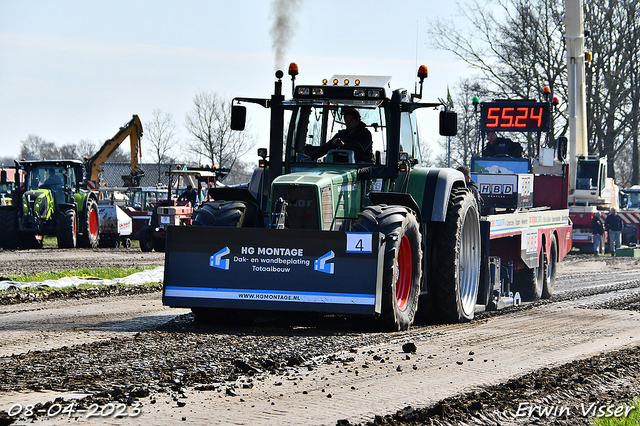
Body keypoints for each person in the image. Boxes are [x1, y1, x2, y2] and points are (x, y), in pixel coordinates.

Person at [310, 108, 374, 162]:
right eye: (346, 121)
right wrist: (312, 157)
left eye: (351, 120)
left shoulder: (366, 134)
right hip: (344, 164)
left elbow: (361, 149)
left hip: (362, 164)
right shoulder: (342, 134)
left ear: (357, 121)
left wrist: (344, 145)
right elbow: (327, 146)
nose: (348, 123)